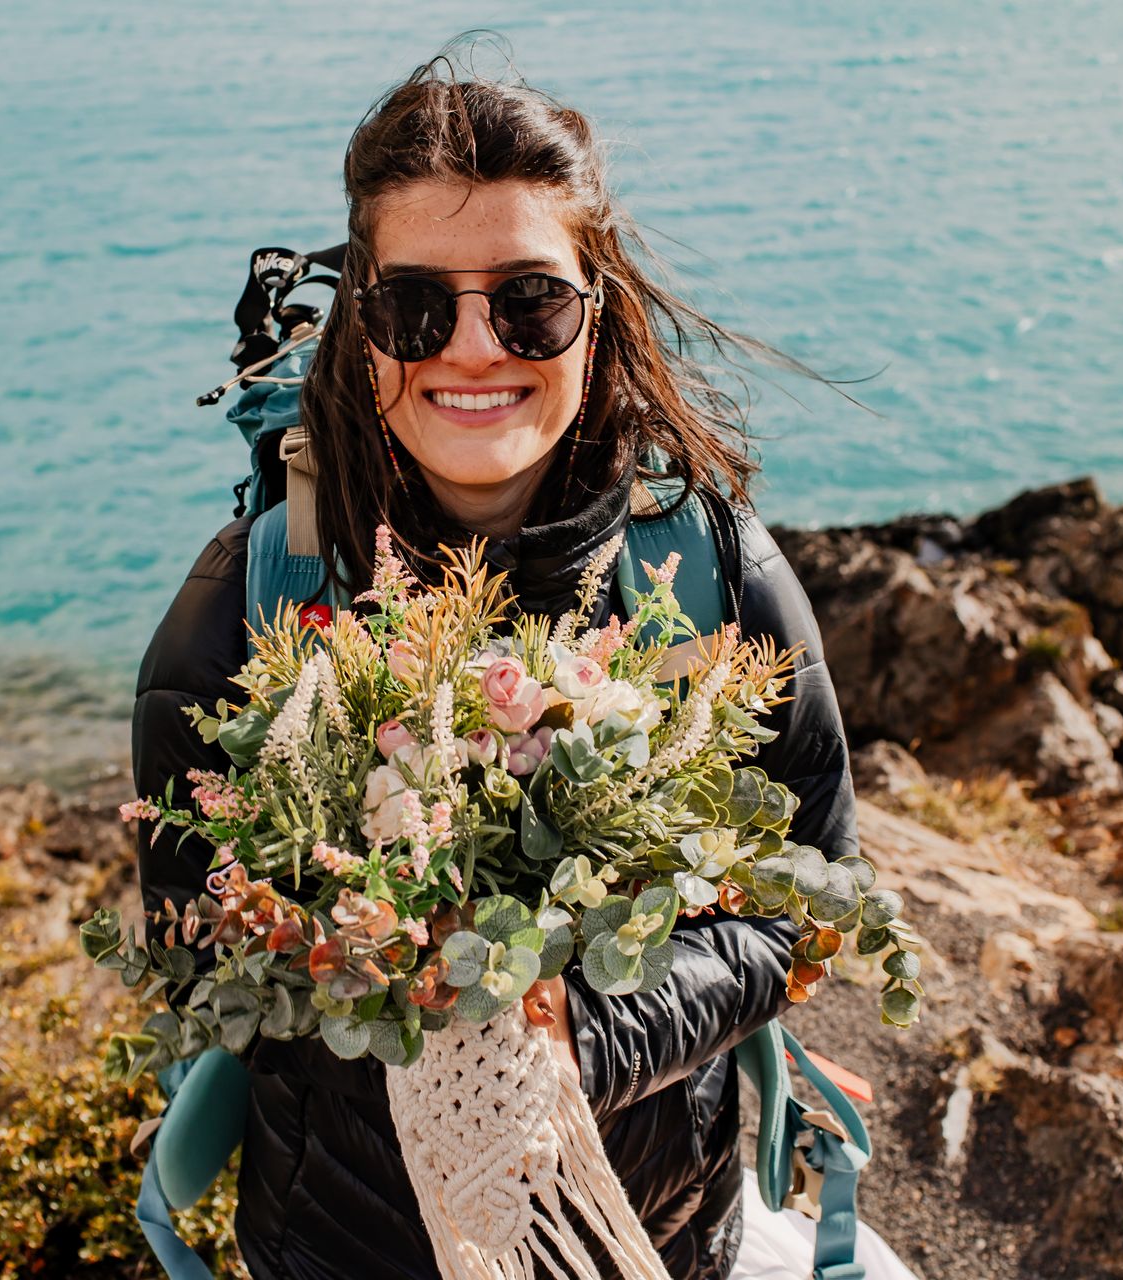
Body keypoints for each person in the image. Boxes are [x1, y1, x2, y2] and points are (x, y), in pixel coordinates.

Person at [132, 51, 861, 1280]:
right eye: (418, 306)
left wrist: (593, 1025)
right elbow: (188, 943)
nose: (474, 349)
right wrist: (380, 966)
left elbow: (812, 893)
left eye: (529, 300)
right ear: (363, 325)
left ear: (599, 309)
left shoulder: (716, 571)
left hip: (661, 1238)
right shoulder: (246, 607)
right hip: (343, 1249)